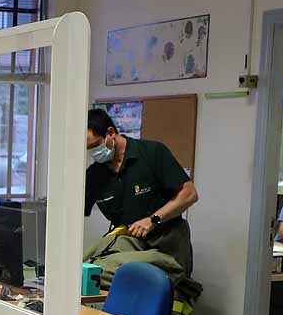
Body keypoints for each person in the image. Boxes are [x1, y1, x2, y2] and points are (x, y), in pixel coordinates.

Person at [84, 109, 199, 273]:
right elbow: (74, 214)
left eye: (95, 145)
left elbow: (189, 194)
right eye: (88, 149)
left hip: (165, 243)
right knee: (86, 267)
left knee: (126, 275)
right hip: (129, 243)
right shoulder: (95, 174)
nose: (93, 152)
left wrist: (153, 219)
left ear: (110, 133)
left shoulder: (151, 153)